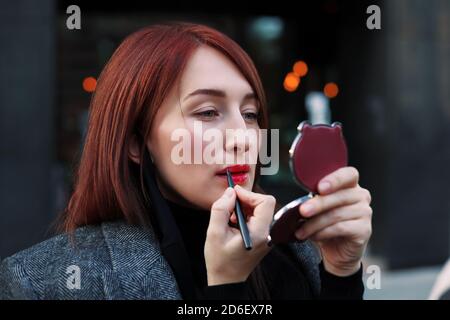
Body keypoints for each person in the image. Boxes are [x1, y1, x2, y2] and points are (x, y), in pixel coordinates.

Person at [0, 22, 372, 299]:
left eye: (250, 114)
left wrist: (342, 272)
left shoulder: (296, 253)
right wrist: (226, 288)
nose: (242, 137)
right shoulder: (42, 283)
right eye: (208, 112)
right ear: (136, 142)